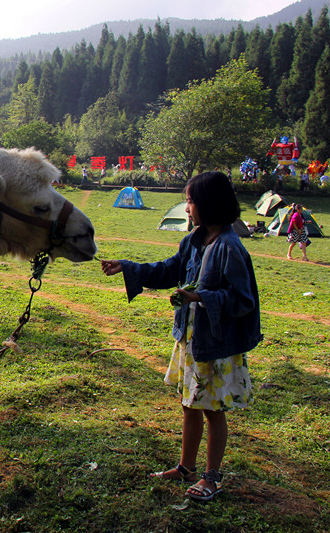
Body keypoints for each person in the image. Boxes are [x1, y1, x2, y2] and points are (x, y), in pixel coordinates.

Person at [101, 171, 262, 502]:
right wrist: (128, 267)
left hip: (215, 346)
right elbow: (168, 270)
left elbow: (243, 300)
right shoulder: (194, 240)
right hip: (192, 339)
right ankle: (187, 467)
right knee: (190, 405)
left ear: (208, 203)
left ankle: (212, 478)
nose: (187, 208)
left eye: (190, 201)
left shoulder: (230, 247)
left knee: (213, 411)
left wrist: (201, 297)